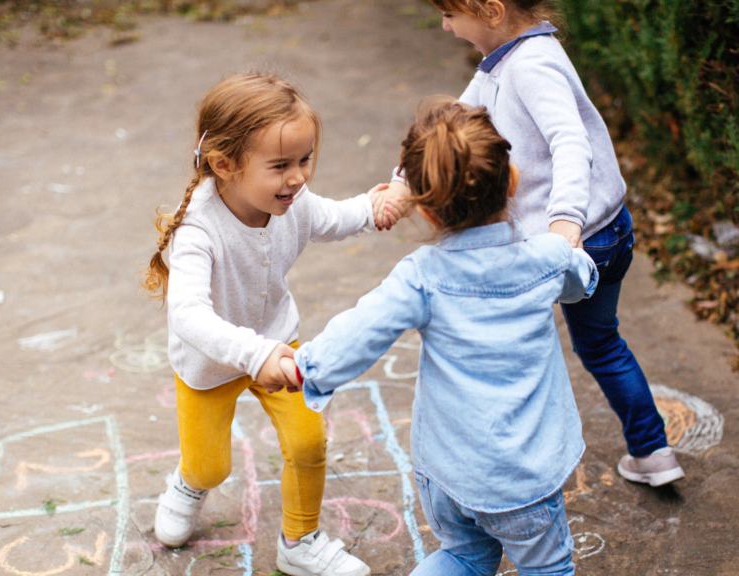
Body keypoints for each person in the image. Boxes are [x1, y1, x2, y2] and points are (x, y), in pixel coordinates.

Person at [276, 100, 598, 576]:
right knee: (548, 569)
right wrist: (577, 258)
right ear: (512, 181)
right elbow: (580, 281)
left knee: (464, 556)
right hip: (523, 480)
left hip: (447, 472)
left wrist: (307, 367)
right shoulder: (547, 258)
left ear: (425, 211)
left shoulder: (423, 276)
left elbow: (364, 327)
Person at [375, 0, 684, 487]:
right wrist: (401, 182)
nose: (445, 26)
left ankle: (512, 462)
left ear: (492, 11)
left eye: (451, 15)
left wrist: (566, 222)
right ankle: (653, 453)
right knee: (602, 344)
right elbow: (449, 127)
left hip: (573, 242)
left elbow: (571, 141)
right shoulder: (504, 60)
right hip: (606, 230)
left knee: (510, 346)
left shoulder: (531, 65)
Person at [140, 71, 378, 576]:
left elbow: (334, 217)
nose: (298, 178)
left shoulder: (293, 203)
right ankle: (189, 482)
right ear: (224, 165)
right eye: (281, 166)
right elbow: (187, 314)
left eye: (304, 160)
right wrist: (255, 354)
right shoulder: (198, 229)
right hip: (210, 364)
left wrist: (376, 207)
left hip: (278, 341)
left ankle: (300, 542)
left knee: (308, 442)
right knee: (211, 466)